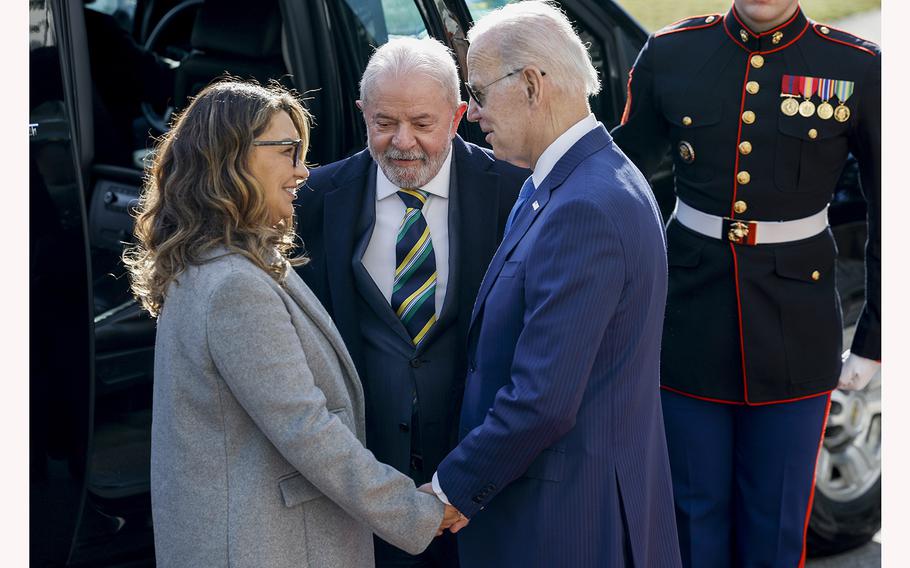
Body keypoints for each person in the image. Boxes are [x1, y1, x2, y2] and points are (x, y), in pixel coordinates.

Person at [122, 80, 462, 568]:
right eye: (287, 151)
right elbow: (308, 430)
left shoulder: (218, 263)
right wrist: (416, 511)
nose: (303, 171)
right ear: (230, 158)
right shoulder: (235, 286)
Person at [610, 0, 880, 565]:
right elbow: (613, 179)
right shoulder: (673, 52)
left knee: (774, 528)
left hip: (796, 330)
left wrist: (876, 339)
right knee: (688, 516)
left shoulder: (856, 66)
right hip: (687, 324)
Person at [426, 2, 681, 566]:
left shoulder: (584, 206)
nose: (471, 113)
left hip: (566, 522)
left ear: (533, 85)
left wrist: (452, 489)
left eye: (481, 91)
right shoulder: (576, 176)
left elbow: (543, 398)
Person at [295, 36, 526, 567]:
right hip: (360, 497)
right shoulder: (313, 200)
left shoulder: (516, 196)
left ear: (458, 114)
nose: (403, 142)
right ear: (362, 114)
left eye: (422, 123)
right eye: (383, 123)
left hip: (481, 492)